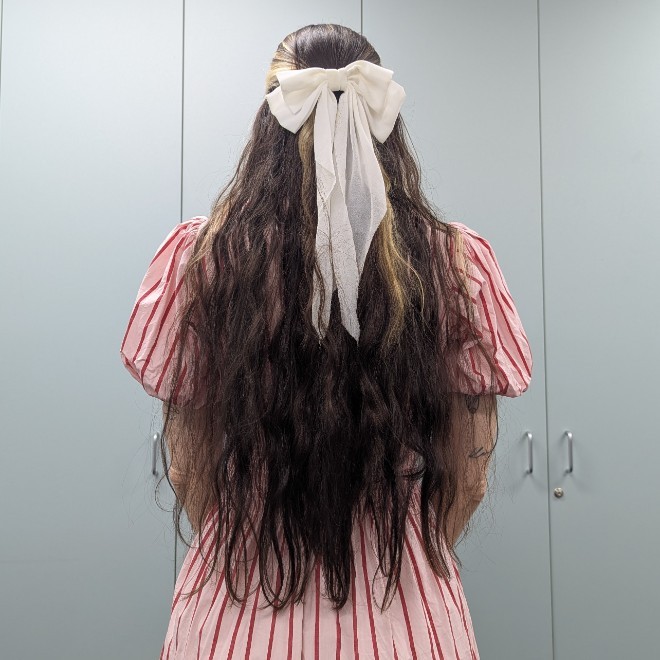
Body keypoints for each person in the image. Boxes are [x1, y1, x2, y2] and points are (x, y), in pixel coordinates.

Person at [120, 23, 532, 660]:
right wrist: (399, 562)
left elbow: (188, 465)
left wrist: (254, 543)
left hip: (237, 615)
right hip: (406, 620)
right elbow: (469, 475)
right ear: (385, 122)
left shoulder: (202, 260)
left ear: (270, 117)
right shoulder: (454, 264)